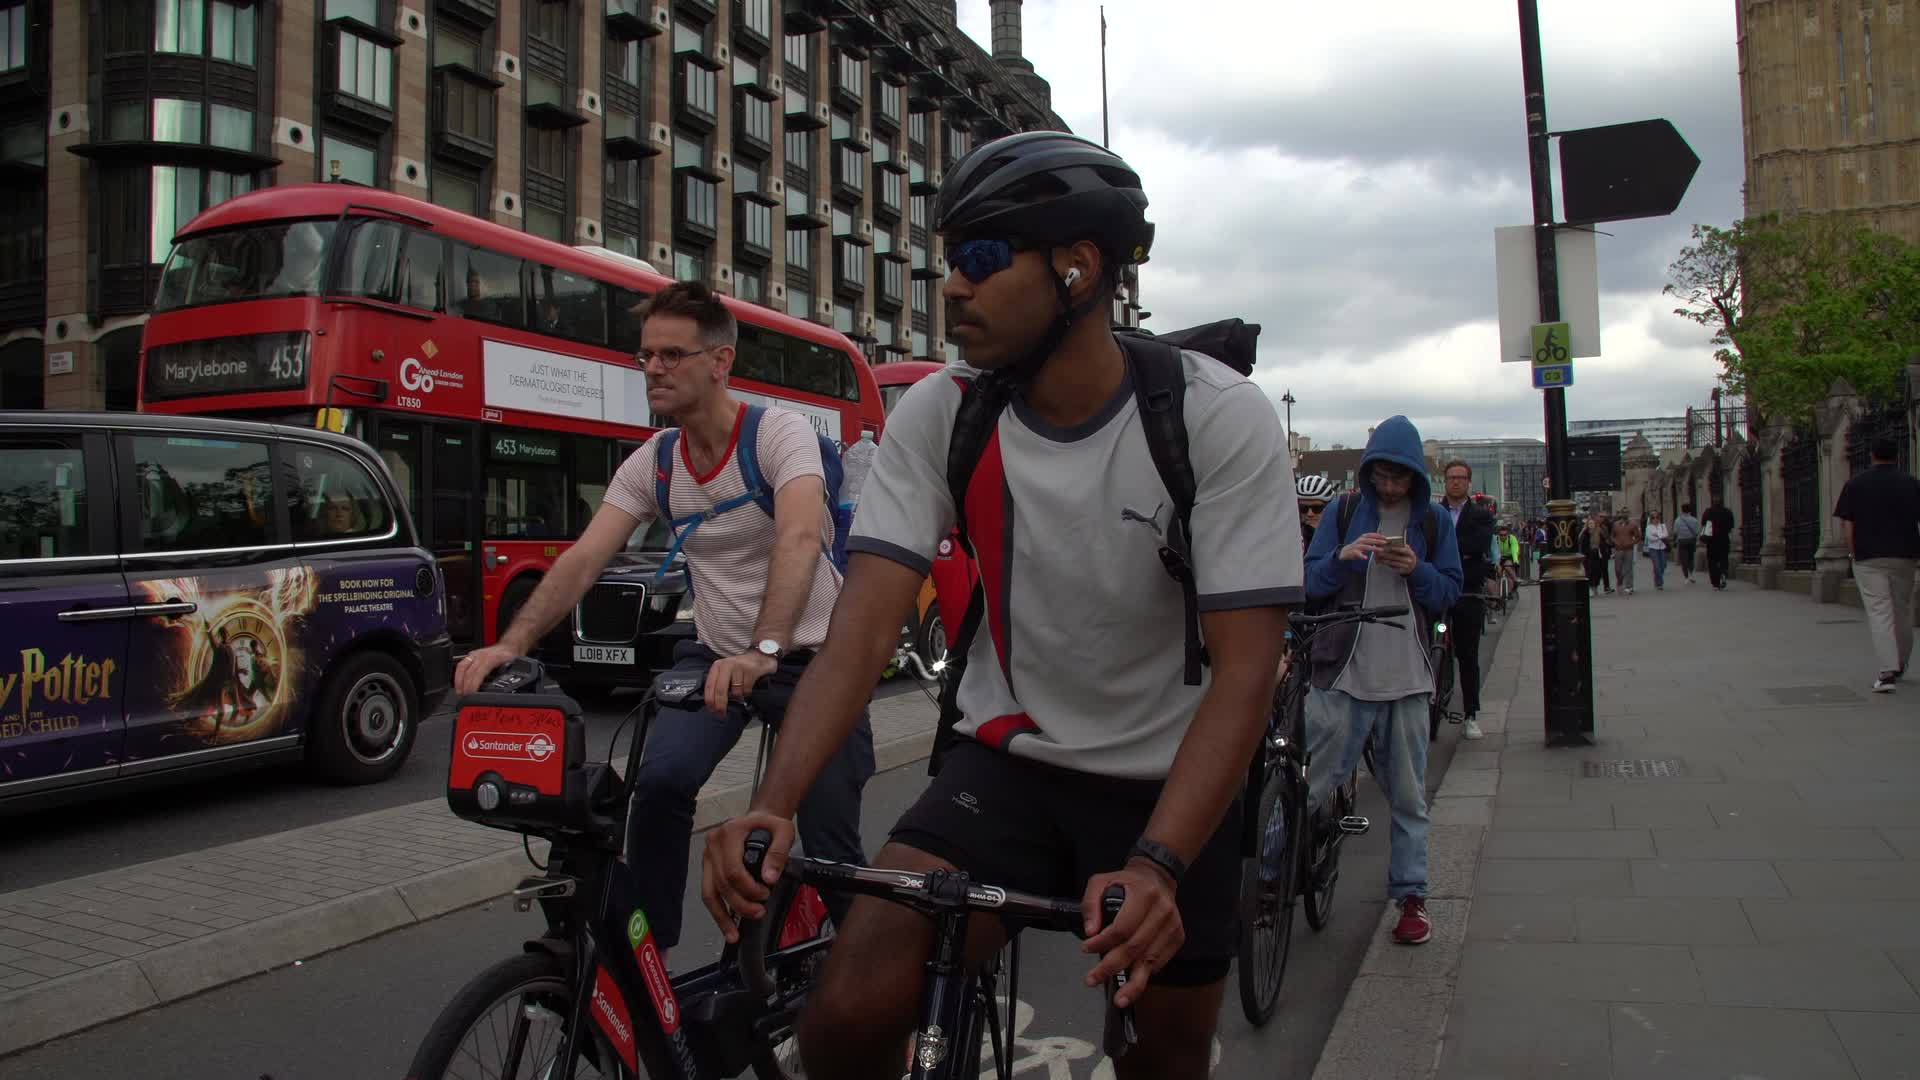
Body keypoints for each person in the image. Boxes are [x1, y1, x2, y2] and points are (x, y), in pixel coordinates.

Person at [700, 131, 1301, 1079]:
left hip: (1170, 779)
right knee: (845, 1013)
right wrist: (771, 802)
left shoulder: (1212, 418)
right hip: (1009, 766)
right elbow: (860, 635)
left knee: (1160, 1060)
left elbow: (1247, 670)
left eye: (982, 259)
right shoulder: (945, 412)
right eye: (949, 262)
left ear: (1078, 269)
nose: (952, 287)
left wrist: (1157, 868)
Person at [453, 280, 876, 957]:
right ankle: (648, 961)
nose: (652, 368)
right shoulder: (654, 463)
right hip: (715, 659)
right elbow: (586, 557)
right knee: (659, 783)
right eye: (645, 355)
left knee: (830, 842)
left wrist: (765, 646)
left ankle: (868, 983)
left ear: (720, 361)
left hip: (810, 662)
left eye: (672, 354)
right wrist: (510, 643)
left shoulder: (779, 436)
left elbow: (799, 538)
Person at [1305, 417, 1461, 945]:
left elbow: (1447, 595)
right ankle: (1271, 872)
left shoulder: (1435, 520)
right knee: (1310, 782)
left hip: (1407, 680)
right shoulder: (1343, 511)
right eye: (1381, 477)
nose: (1389, 487)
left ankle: (1412, 900)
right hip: (1342, 674)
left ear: (1415, 477)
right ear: (1369, 472)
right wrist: (1343, 558)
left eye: (1399, 478)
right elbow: (1307, 582)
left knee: (1409, 799)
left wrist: (1416, 567)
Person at [1831, 437, 1920, 692]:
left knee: (1880, 611)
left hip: (1869, 556)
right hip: (1905, 554)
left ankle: (1887, 671)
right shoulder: (1911, 483)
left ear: (1872, 455)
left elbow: (1848, 524)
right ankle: (1901, 661)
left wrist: (1852, 552)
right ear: (1897, 455)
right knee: (1901, 609)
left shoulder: (1856, 484)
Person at [1435, 460, 1493, 740]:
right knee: (1431, 648)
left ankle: (1471, 714)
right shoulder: (1433, 513)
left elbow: (1478, 545)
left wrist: (1446, 550)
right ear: (1444, 481)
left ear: (1469, 482)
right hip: (1438, 589)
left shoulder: (1481, 514)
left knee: (1467, 655)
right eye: (1451, 477)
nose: (1455, 482)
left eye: (1460, 477)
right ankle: (1430, 709)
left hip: (1468, 590)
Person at [1703, 497, 1736, 590]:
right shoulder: (1727, 512)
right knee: (1723, 558)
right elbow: (1731, 526)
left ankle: (1715, 582)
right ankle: (1723, 573)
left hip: (1711, 541)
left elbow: (1703, 524)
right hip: (1724, 539)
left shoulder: (1708, 512)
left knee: (1712, 562)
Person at [1298, 473, 1337, 550]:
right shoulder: (1293, 534)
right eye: (1303, 508)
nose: (1310, 514)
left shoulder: (1340, 532)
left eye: (1317, 508)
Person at [1610, 513, 1641, 595]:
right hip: (1618, 549)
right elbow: (1612, 536)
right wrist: (1615, 542)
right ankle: (1620, 583)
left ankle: (1629, 586)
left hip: (1628, 549)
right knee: (1618, 568)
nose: (1624, 516)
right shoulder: (1615, 525)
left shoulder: (1633, 525)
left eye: (1626, 513)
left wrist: (1631, 543)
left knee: (1628, 568)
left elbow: (1638, 537)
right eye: (1623, 513)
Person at [1672, 503, 1702, 584]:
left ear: (1682, 510)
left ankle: (1686, 577)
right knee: (1691, 558)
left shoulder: (1678, 520)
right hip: (1691, 541)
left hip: (1682, 541)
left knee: (1684, 559)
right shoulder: (1694, 520)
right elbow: (1697, 532)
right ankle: (1691, 574)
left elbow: (1675, 532)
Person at [1644, 509, 1671, 589]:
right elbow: (1650, 538)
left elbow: (1665, 535)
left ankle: (1657, 578)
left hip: (1662, 547)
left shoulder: (1662, 526)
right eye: (1653, 517)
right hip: (1653, 548)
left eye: (1657, 517)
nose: (1655, 519)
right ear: (1651, 519)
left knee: (1663, 565)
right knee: (1657, 566)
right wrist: (1659, 536)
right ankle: (1660, 583)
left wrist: (1657, 535)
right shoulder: (1649, 527)